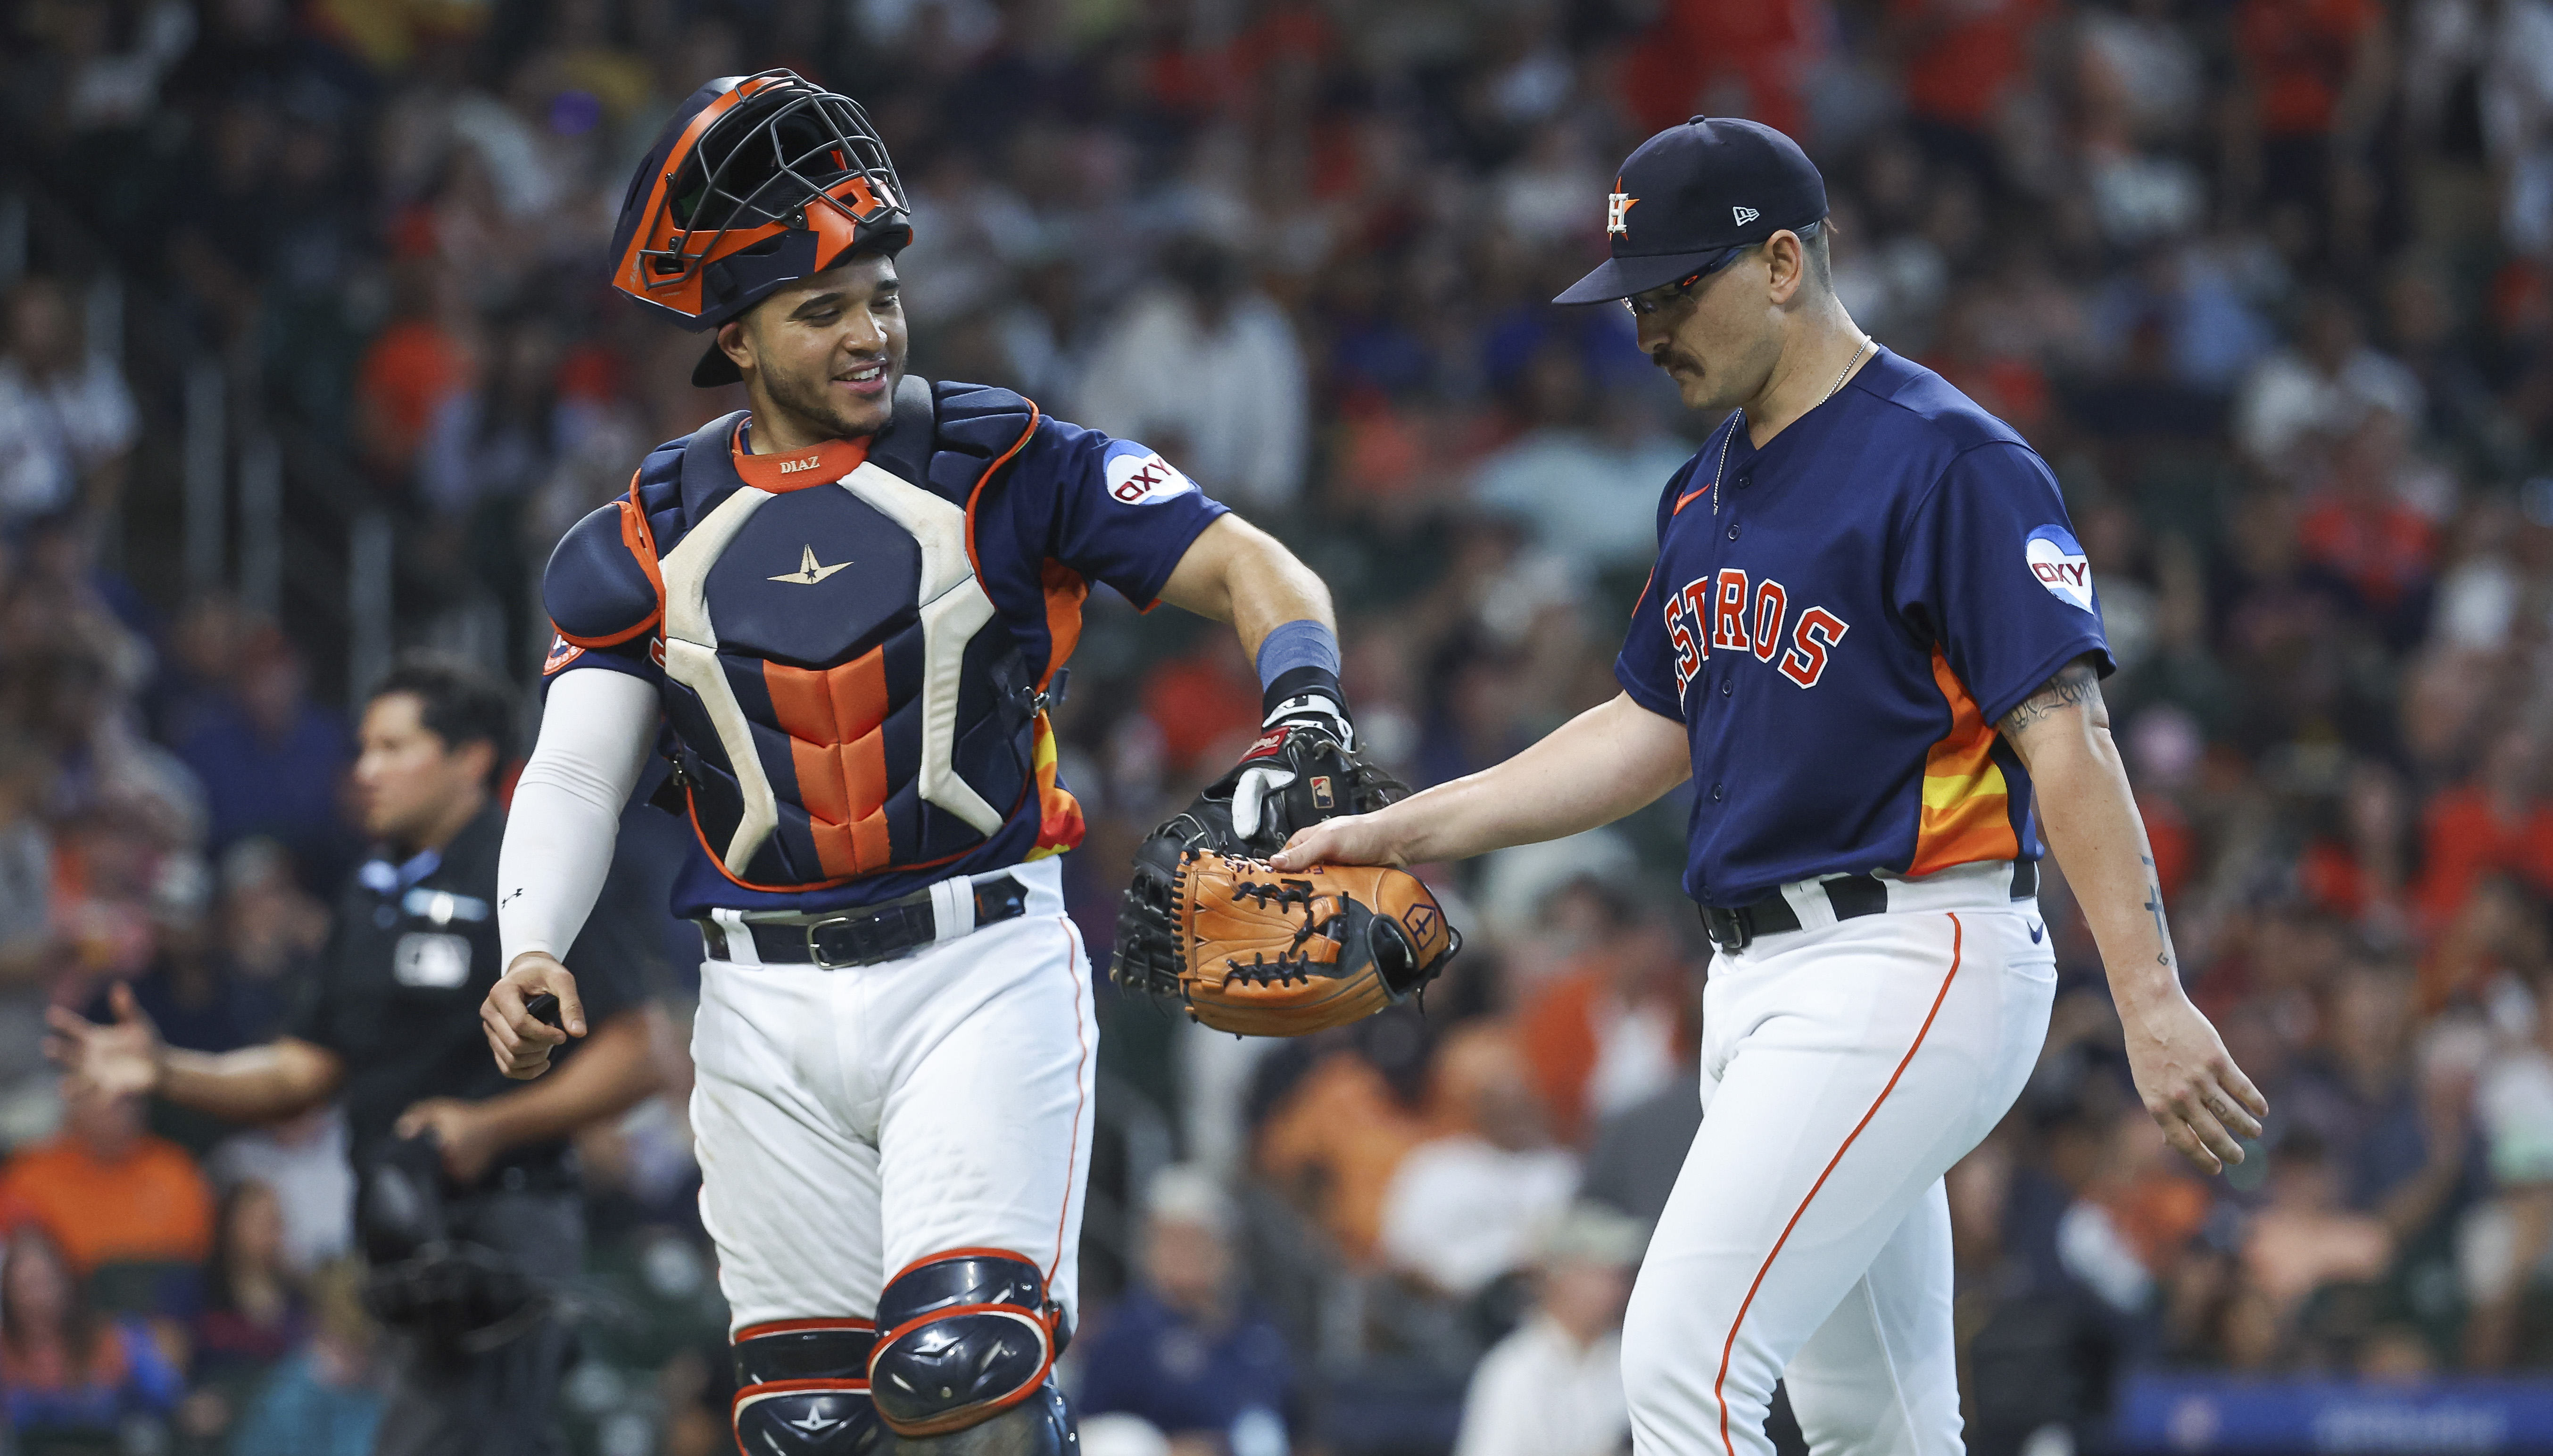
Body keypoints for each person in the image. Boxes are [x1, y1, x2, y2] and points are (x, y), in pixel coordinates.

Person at [1275, 116, 2267, 1455]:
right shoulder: (1705, 489)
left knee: (1682, 1365)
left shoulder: (1946, 459)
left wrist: (2148, 1000)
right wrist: (1400, 827)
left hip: (1909, 952)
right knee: (1876, 1421)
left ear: (1783, 263)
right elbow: (1642, 730)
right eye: (1635, 297)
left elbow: (2066, 736)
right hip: (1757, 981)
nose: (1645, 328)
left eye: (1675, 288)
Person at [480, 72, 1356, 1456]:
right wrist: (531, 941)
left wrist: (1303, 708)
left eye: (880, 294)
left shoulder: (1007, 459)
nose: (867, 330)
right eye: (820, 309)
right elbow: (576, 771)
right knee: (814, 1431)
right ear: (737, 336)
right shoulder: (640, 530)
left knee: (968, 1383)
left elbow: (1252, 564)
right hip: (756, 1011)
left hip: (976, 971)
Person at [47, 652, 666, 1456]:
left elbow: (636, 1050)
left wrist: (490, 1125)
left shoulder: (530, 875)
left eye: (393, 747)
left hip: (500, 1229)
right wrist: (167, 1068)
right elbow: (305, 1069)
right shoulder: (373, 889)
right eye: (363, 746)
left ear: (469, 758)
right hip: (398, 1236)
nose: (366, 769)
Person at [1073, 1166, 1295, 1452]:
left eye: (1195, 1240)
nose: (1181, 1255)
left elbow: (1297, 1425)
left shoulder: (1261, 1330)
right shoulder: (1125, 1332)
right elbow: (1088, 1432)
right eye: (1169, 1241)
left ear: (1227, 1248)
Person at [1452, 1202, 1645, 1456]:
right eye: (1604, 1274)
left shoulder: (1633, 1358)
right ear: (1561, 1278)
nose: (1620, 1288)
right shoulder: (1515, 1369)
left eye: (1623, 1275)